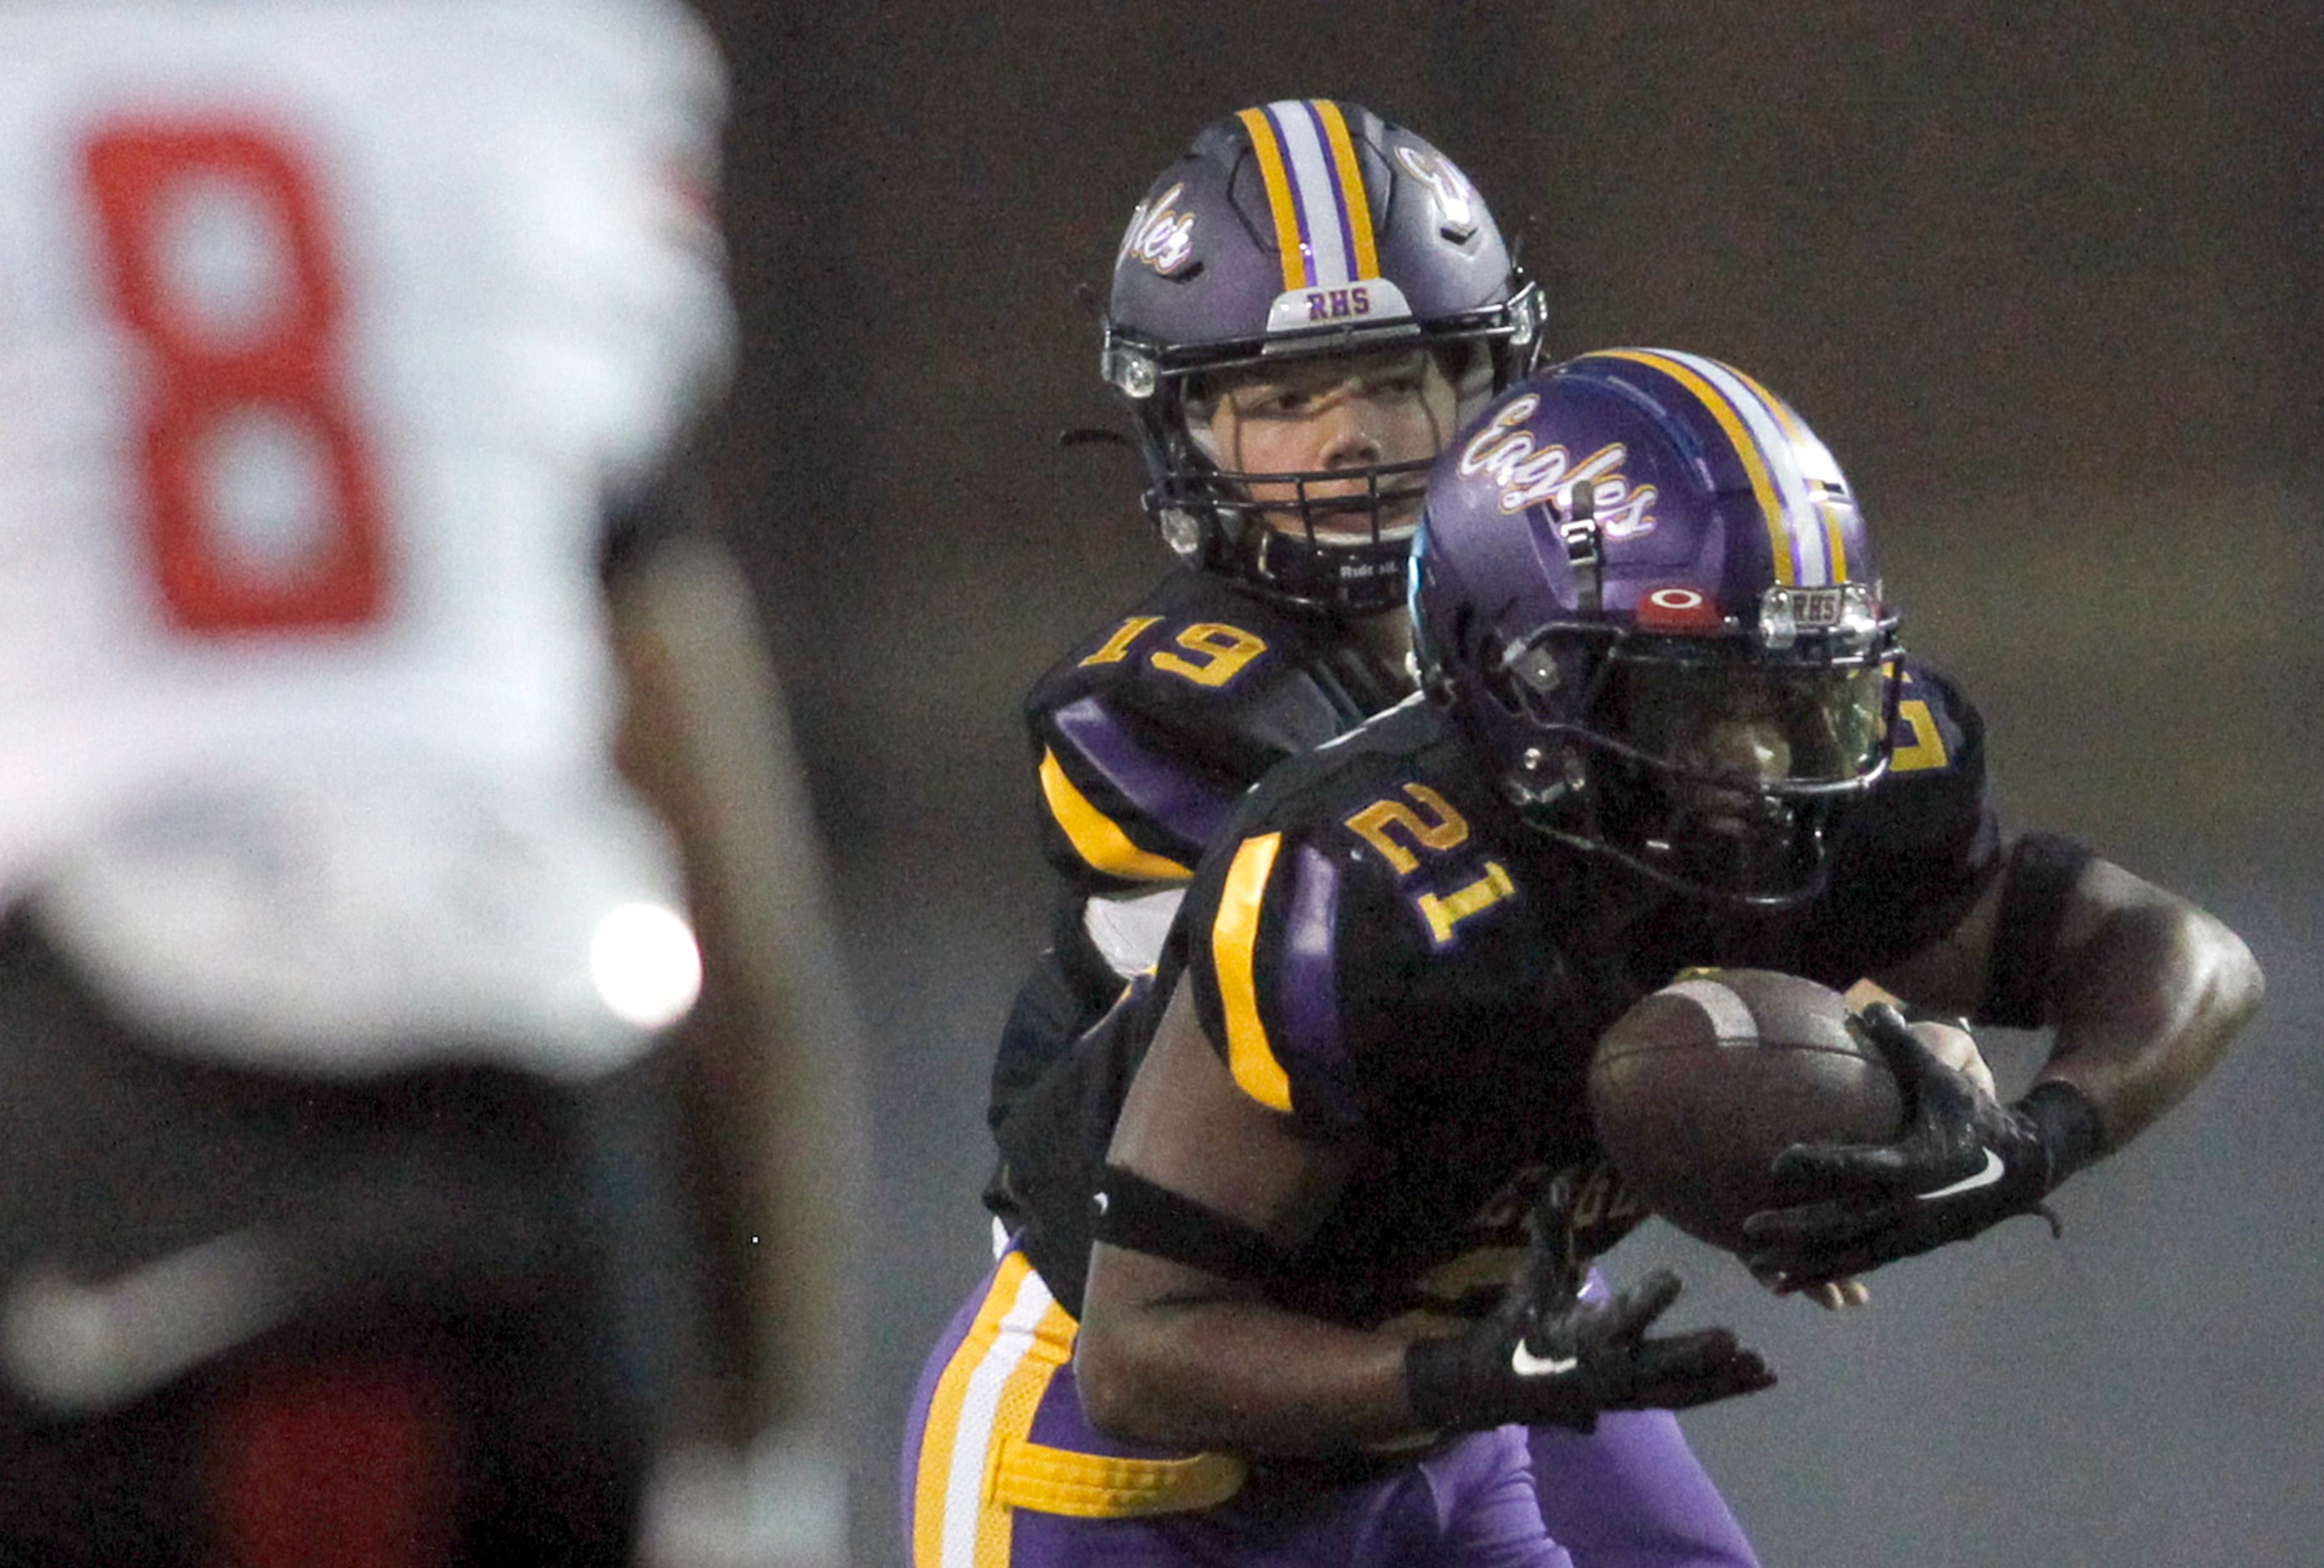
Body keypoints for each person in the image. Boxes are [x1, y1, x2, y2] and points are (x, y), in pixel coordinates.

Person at [911, 347, 2264, 1565]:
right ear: (1532, 688)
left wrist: (2031, 1141)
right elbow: (1141, 1353)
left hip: (1439, 1436)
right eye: (1711, 702)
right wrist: (1468, 1374)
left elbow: (2186, 958)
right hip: (1118, 1479)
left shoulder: (1816, 801)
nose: (1769, 768)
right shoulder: (1365, 886)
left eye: (1808, 694)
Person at [0, 3, 860, 1563]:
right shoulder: (541, 65)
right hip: (529, 1132)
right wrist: (769, 1448)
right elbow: (730, 875)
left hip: (87, 1099)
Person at [977, 99, 1769, 1567]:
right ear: (1189, 428)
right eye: (1284, 401)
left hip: (1463, 1321)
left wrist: (1856, 1023)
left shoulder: (1563, 656)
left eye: (1394, 380)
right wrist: (1750, 1067)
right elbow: (1448, 1016)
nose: (1346, 441)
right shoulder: (1151, 710)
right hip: (1153, 1384)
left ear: (1486, 388)